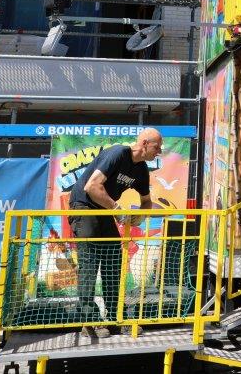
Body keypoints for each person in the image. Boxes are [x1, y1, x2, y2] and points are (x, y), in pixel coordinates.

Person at [68, 128, 162, 333]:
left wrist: (140, 216)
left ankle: (116, 317)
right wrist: (117, 209)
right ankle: (89, 321)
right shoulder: (118, 153)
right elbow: (92, 187)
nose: (160, 151)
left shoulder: (141, 170)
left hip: (103, 210)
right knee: (89, 262)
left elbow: (146, 201)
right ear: (145, 143)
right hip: (83, 206)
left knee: (113, 259)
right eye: (157, 147)